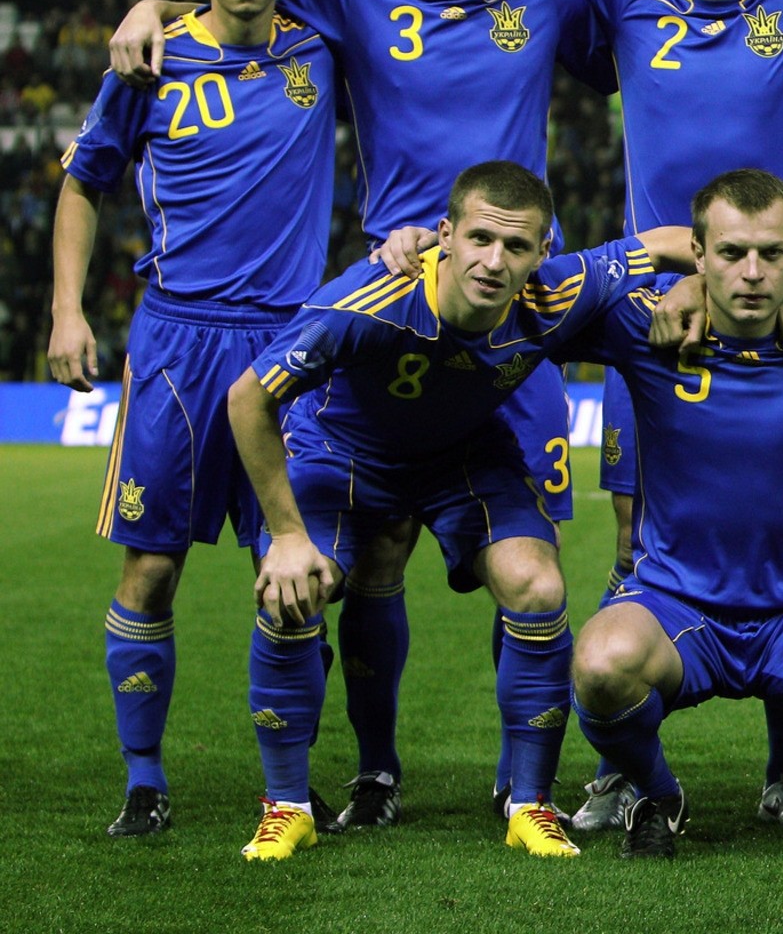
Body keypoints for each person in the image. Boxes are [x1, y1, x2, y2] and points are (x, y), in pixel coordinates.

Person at [111, 0, 617, 829]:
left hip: (514, 306)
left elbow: (649, 7)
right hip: (394, 301)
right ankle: (376, 772)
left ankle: (527, 783)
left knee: (532, 571)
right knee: (376, 560)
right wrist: (149, 5)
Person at [227, 162, 677, 860]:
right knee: (295, 589)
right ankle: (286, 805)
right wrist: (286, 535)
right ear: (447, 235)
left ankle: (530, 804)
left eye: (518, 247)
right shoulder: (375, 296)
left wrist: (753, 276)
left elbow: (670, 241)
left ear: (540, 254)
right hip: (342, 450)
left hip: (463, 456)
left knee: (539, 585)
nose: (495, 261)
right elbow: (247, 398)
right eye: (480, 239)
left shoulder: (558, 292)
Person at [49, 0, 335, 839]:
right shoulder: (150, 62)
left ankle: (287, 788)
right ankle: (143, 777)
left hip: (291, 345)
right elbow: (84, 183)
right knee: (151, 571)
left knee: (293, 571)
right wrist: (66, 311)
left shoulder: (319, 46)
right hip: (176, 342)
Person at [564, 170, 783, 860]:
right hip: (675, 603)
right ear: (697, 254)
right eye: (730, 254)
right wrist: (657, 255)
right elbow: (538, 284)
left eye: (772, 253)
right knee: (601, 666)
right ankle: (659, 796)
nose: (753, 273)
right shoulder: (645, 326)